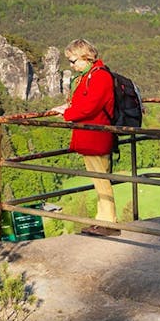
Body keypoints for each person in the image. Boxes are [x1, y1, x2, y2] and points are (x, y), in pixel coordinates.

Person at [49, 39, 119, 237]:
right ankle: (102, 220)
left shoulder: (99, 77)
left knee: (101, 180)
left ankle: (108, 222)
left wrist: (67, 114)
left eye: (73, 61)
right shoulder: (90, 75)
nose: (71, 65)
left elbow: (90, 106)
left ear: (85, 57)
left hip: (96, 136)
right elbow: (83, 103)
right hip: (91, 136)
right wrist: (67, 108)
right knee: (99, 179)